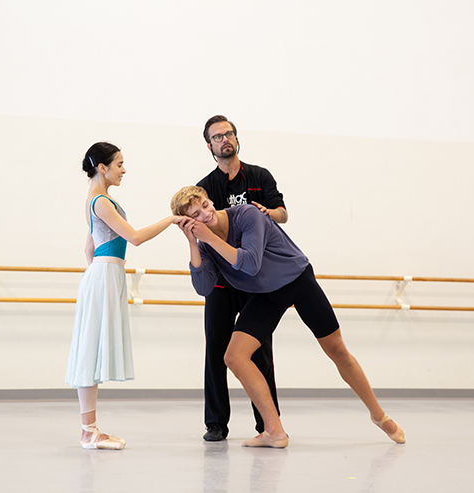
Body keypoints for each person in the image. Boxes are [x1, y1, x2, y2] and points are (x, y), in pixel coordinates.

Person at [170, 186, 406, 448]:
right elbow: (203, 288)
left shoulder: (247, 214)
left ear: (210, 200)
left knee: (337, 350)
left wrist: (210, 239)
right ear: (188, 223)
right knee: (234, 356)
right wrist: (194, 243)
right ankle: (274, 431)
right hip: (266, 294)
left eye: (204, 205)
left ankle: (378, 415)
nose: (205, 214)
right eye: (196, 214)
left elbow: (250, 264)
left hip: (297, 280)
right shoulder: (204, 245)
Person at [65, 142, 183, 450]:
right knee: (91, 349)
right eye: (119, 164)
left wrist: (101, 274)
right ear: (102, 168)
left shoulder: (97, 199)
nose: (123, 169)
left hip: (104, 276)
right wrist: (171, 220)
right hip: (104, 276)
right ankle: (88, 431)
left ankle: (89, 429)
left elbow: (88, 248)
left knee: (93, 348)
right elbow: (134, 237)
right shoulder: (101, 201)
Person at [195, 115, 288, 442]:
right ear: (209, 146)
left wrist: (267, 213)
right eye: (217, 137)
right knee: (216, 351)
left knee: (260, 352)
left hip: (256, 279)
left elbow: (283, 214)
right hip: (222, 280)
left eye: (229, 134)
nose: (225, 140)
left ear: (236, 139)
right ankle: (216, 423)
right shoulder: (203, 188)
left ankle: (267, 424)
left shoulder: (260, 176)